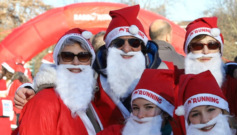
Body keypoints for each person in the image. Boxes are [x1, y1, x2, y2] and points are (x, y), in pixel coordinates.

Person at [14, 5, 167, 127]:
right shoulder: (95, 74)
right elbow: (63, 73)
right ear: (109, 48)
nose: (126, 49)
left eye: (134, 43)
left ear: (143, 47)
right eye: (119, 43)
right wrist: (30, 88)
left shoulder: (164, 74)